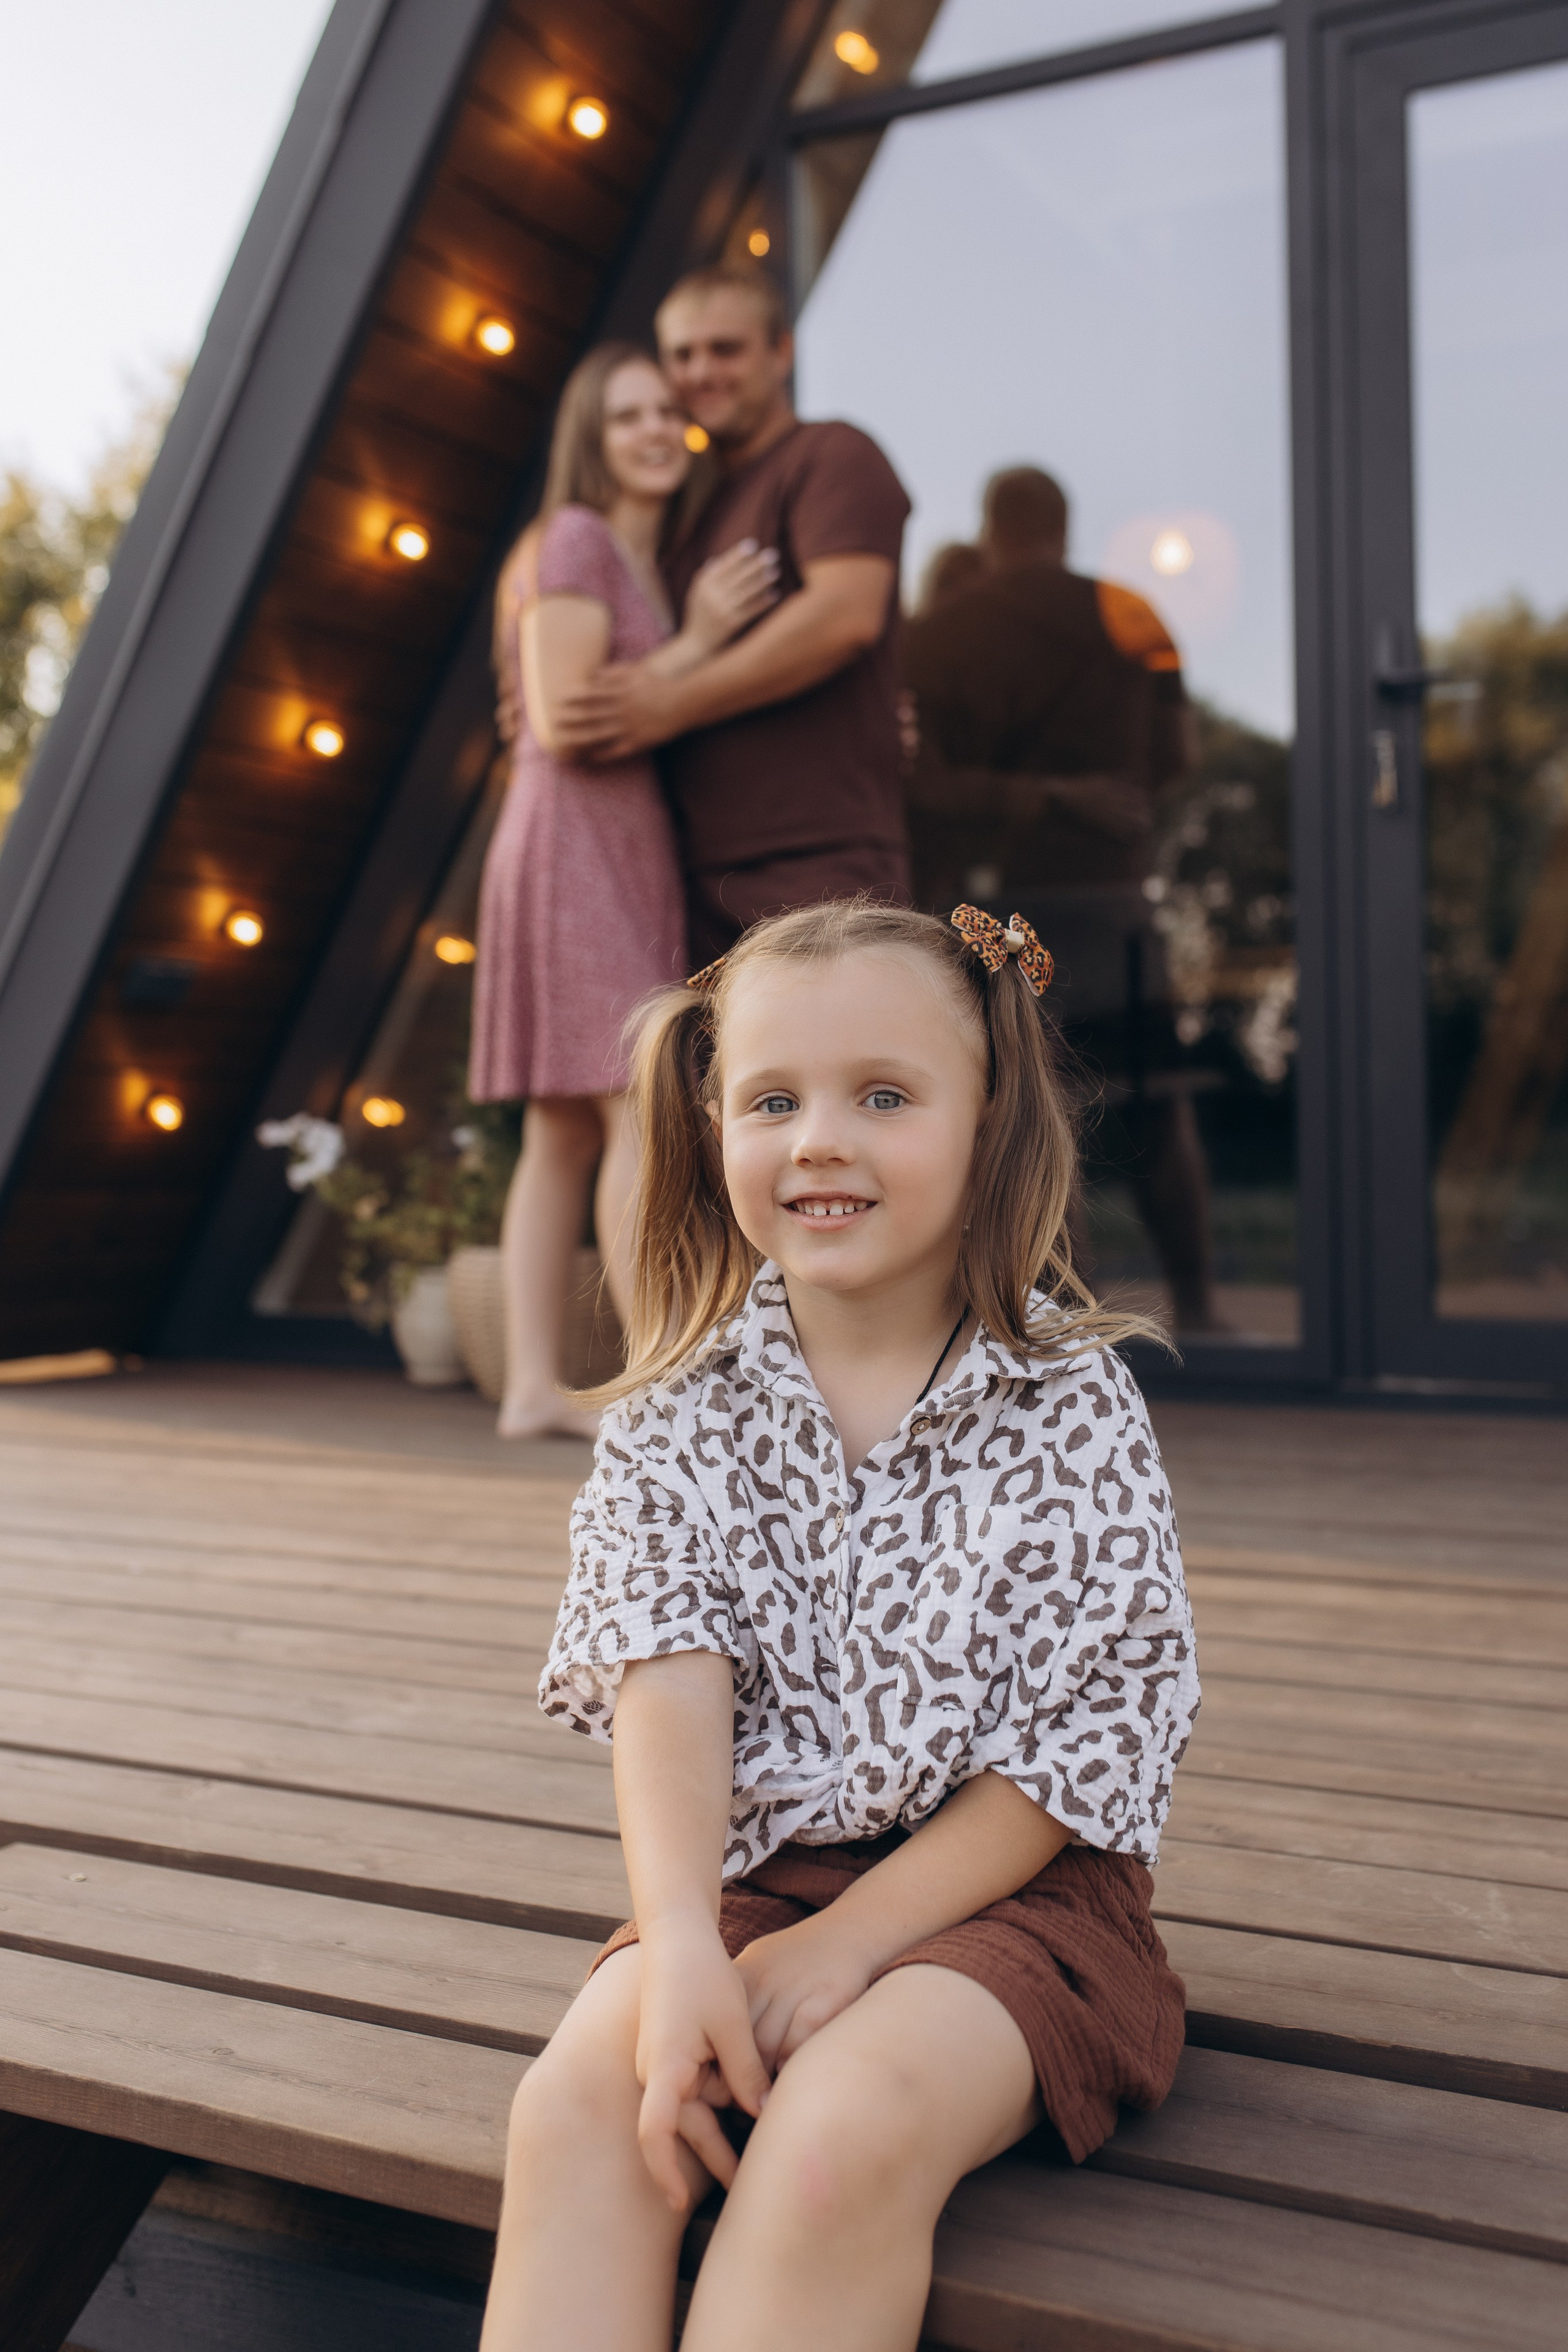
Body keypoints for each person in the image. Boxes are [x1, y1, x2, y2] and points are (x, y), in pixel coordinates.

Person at [477, 899, 1199, 2351]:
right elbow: (666, 1681)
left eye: (881, 1096)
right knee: (578, 2106)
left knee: (831, 2135)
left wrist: (852, 1943)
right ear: (712, 1126)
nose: (817, 1139)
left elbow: (1079, 1742)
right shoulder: (678, 1405)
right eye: (771, 1101)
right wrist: (682, 1940)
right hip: (752, 1883)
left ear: (986, 1118)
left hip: (1017, 1898)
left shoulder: (1067, 1405)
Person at [469, 341, 777, 1439]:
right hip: (571, 844)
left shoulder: (638, 556)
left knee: (562, 1129)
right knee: (625, 1105)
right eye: (628, 415)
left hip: (614, 846)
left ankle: (532, 1387)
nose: (656, 430)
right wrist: (702, 642)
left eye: (663, 413)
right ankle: (655, 1391)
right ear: (590, 438)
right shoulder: (575, 537)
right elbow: (563, 719)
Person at [902, 467, 1224, 1334]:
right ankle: (1199, 1308)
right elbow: (1180, 752)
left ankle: (1062, 1326)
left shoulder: (936, 635)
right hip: (1111, 894)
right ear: (1064, 525)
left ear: (990, 528)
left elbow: (919, 785)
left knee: (1028, 1109)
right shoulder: (1132, 613)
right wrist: (1104, 799)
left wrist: (1025, 800)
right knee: (1160, 1099)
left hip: (991, 904)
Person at [547, 262, 914, 965]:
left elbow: (844, 617)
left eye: (725, 349)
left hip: (819, 863)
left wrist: (671, 705)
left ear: (781, 352)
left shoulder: (832, 454)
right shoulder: (686, 510)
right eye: (682, 355)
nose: (701, 373)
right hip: (687, 883)